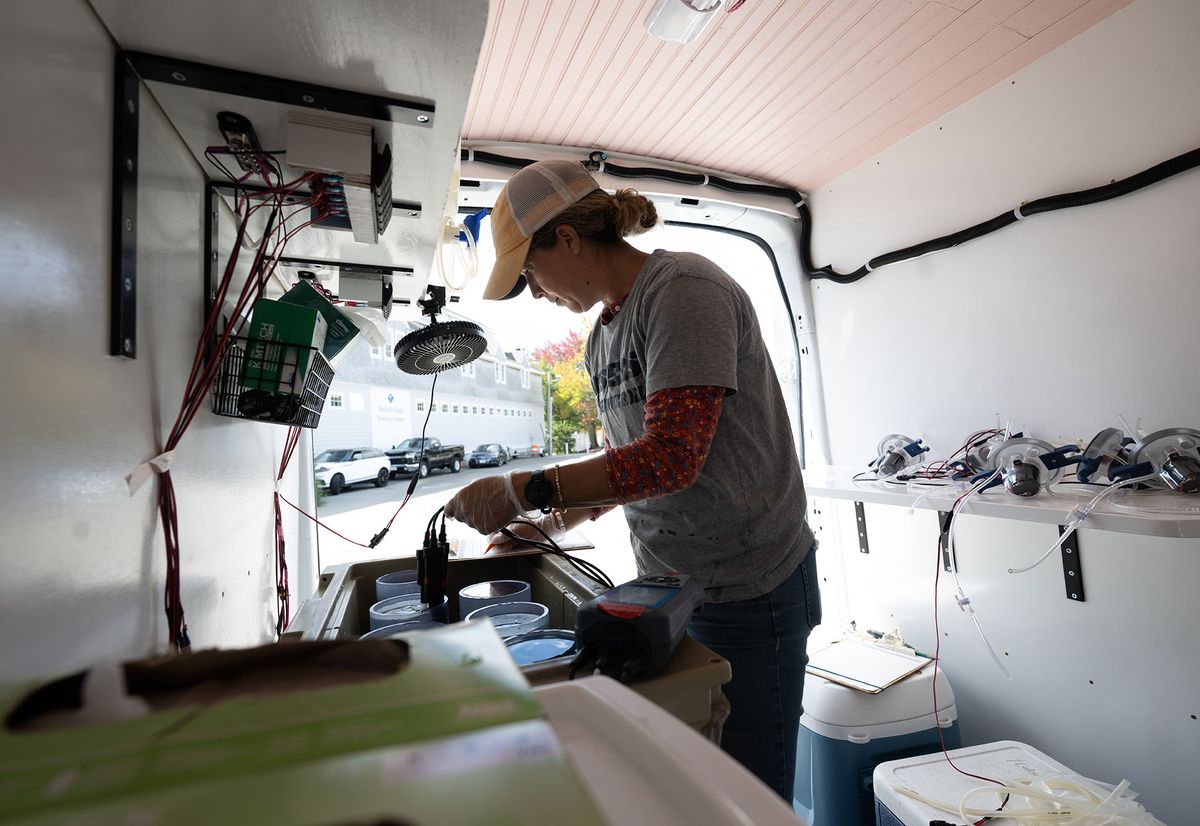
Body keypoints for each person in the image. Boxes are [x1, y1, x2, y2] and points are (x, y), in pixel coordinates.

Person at [444, 159, 820, 800]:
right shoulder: (602, 339)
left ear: (566, 239)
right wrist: (550, 522)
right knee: (697, 789)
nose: (535, 293)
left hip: (752, 590)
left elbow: (671, 457)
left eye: (530, 274)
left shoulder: (685, 290)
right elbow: (630, 468)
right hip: (671, 590)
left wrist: (525, 488)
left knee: (751, 798)